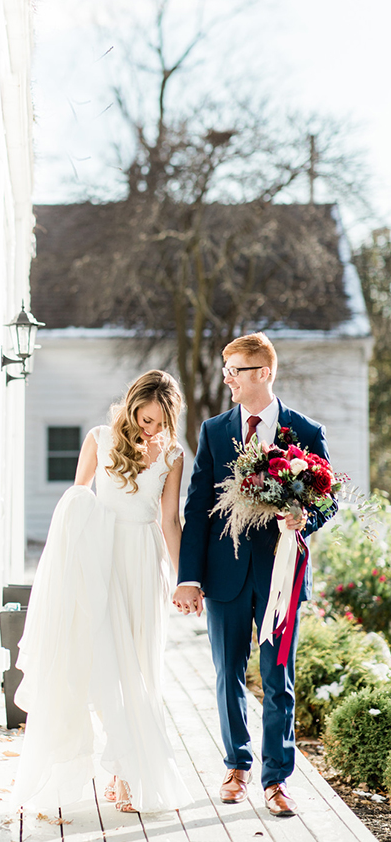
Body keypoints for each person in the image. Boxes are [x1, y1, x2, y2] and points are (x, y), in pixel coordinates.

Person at [13, 370, 193, 814]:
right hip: (100, 559)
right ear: (131, 407)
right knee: (103, 661)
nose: (148, 428)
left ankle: (127, 775)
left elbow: (170, 520)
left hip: (143, 559)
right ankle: (109, 763)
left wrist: (186, 578)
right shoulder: (99, 438)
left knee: (140, 667)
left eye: (156, 421)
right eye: (142, 418)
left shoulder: (172, 455)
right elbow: (77, 502)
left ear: (169, 418)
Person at [173, 332, 334, 818]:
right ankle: (236, 766)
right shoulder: (215, 431)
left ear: (263, 373)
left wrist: (305, 518)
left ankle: (277, 779)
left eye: (235, 370)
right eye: (225, 370)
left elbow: (326, 500)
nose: (227, 379)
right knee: (227, 676)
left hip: (281, 574)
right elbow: (198, 505)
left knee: (277, 674)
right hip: (223, 576)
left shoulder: (305, 430)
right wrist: (189, 577)